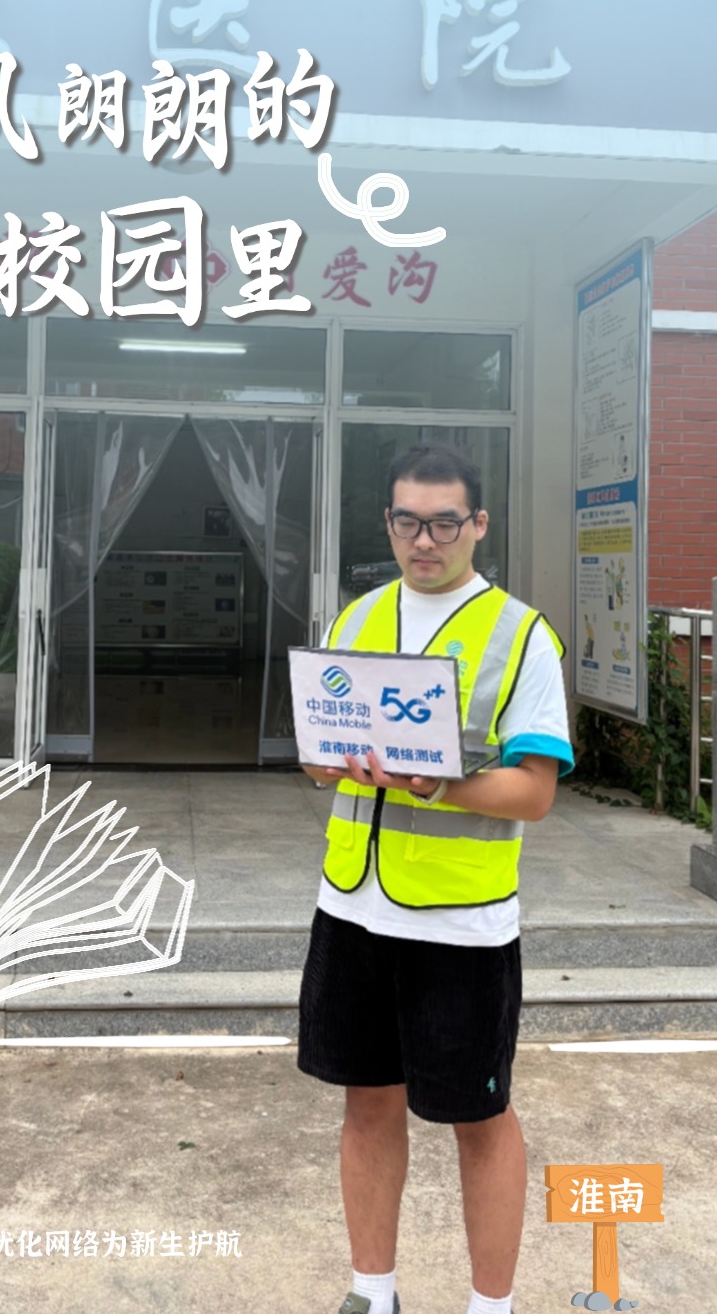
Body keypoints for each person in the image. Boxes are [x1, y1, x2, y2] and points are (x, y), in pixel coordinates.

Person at [298, 444, 573, 1314]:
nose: (425, 540)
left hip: (460, 922)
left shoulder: (520, 635)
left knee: (478, 1119)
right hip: (353, 905)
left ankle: (490, 1306)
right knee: (366, 1105)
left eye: (445, 522)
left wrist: (441, 783)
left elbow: (534, 793)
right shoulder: (357, 620)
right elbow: (319, 757)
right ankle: (371, 1292)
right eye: (408, 522)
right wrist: (325, 762)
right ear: (388, 523)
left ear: (477, 524)